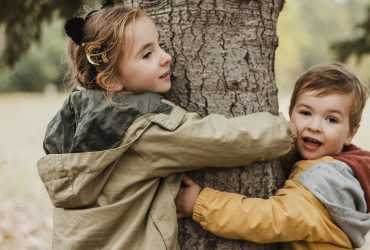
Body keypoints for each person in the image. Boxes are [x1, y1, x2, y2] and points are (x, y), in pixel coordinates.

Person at [36, 2, 296, 249]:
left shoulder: (74, 120)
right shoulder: (143, 126)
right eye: (147, 54)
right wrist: (284, 131)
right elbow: (222, 140)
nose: (166, 57)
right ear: (111, 80)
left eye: (160, 45)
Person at [175, 63, 370, 249]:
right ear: (291, 113)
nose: (314, 126)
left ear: (351, 132)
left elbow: (268, 219)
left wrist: (201, 202)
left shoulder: (324, 185)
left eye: (331, 119)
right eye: (305, 113)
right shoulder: (334, 168)